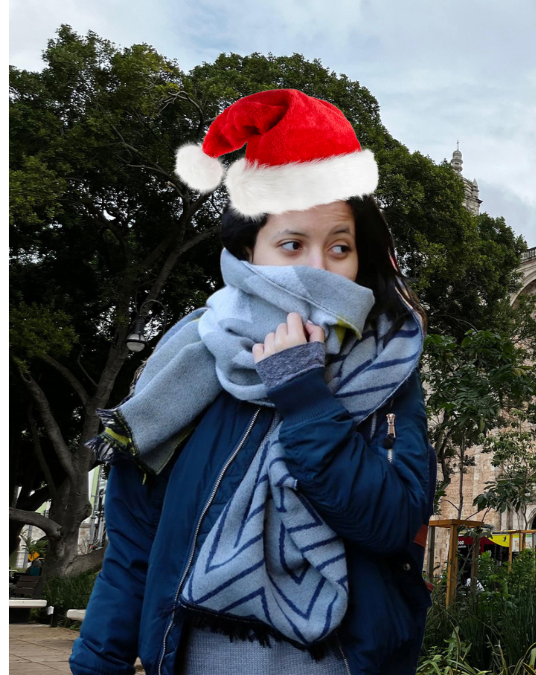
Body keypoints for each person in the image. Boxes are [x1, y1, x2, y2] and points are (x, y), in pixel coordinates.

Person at [70, 89, 436, 675]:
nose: (318, 268)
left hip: (338, 658)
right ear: (249, 250)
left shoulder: (387, 367)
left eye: (339, 247)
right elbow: (135, 540)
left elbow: (391, 522)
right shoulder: (189, 361)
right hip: (198, 652)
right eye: (292, 244)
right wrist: (98, 662)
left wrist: (304, 394)